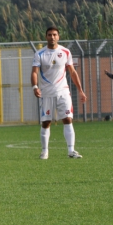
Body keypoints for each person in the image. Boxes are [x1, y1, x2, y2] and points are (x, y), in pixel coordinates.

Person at [31, 26, 87, 159]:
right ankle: (44, 151)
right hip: (47, 93)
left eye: (54, 35)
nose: (52, 37)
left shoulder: (65, 52)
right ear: (46, 37)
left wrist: (80, 90)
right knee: (46, 122)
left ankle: (71, 151)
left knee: (68, 119)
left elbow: (72, 72)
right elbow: (34, 72)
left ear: (58, 36)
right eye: (49, 35)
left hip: (63, 92)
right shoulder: (40, 54)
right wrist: (35, 87)